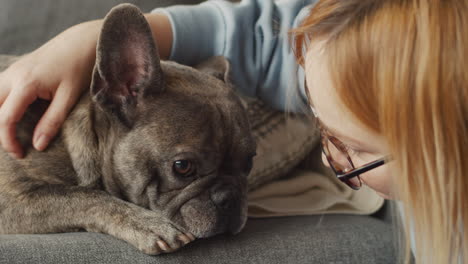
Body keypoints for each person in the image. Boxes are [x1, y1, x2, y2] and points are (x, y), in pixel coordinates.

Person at [0, 0, 466, 262]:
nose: (328, 160)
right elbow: (254, 34)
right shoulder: (329, 40)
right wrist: (85, 36)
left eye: (356, 150)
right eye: (184, 168)